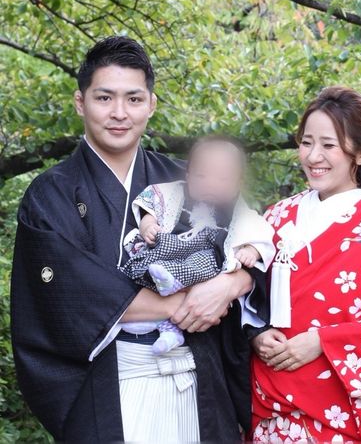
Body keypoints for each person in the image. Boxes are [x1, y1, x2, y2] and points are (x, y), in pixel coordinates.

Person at [11, 36, 265, 442]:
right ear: (80, 102)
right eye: (104, 98)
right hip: (112, 385)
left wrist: (232, 284)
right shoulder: (52, 193)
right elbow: (70, 294)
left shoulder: (189, 178)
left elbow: (252, 239)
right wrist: (190, 304)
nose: (119, 113)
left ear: (151, 104)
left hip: (197, 379)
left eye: (133, 99)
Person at [251, 86, 361, 443]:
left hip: (340, 417)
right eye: (306, 143)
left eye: (328, 145)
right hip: (270, 415)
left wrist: (323, 340)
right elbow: (244, 291)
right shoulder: (276, 216)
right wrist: (253, 333)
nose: (313, 156)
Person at [120, 135, 275, 355]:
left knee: (207, 262)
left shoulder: (241, 213)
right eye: (201, 176)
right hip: (168, 254)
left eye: (223, 178)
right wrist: (148, 224)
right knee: (152, 254)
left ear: (238, 183)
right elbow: (151, 203)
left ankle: (172, 322)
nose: (211, 184)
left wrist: (252, 250)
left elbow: (262, 234)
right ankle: (167, 312)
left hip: (203, 266)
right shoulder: (173, 192)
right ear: (188, 175)